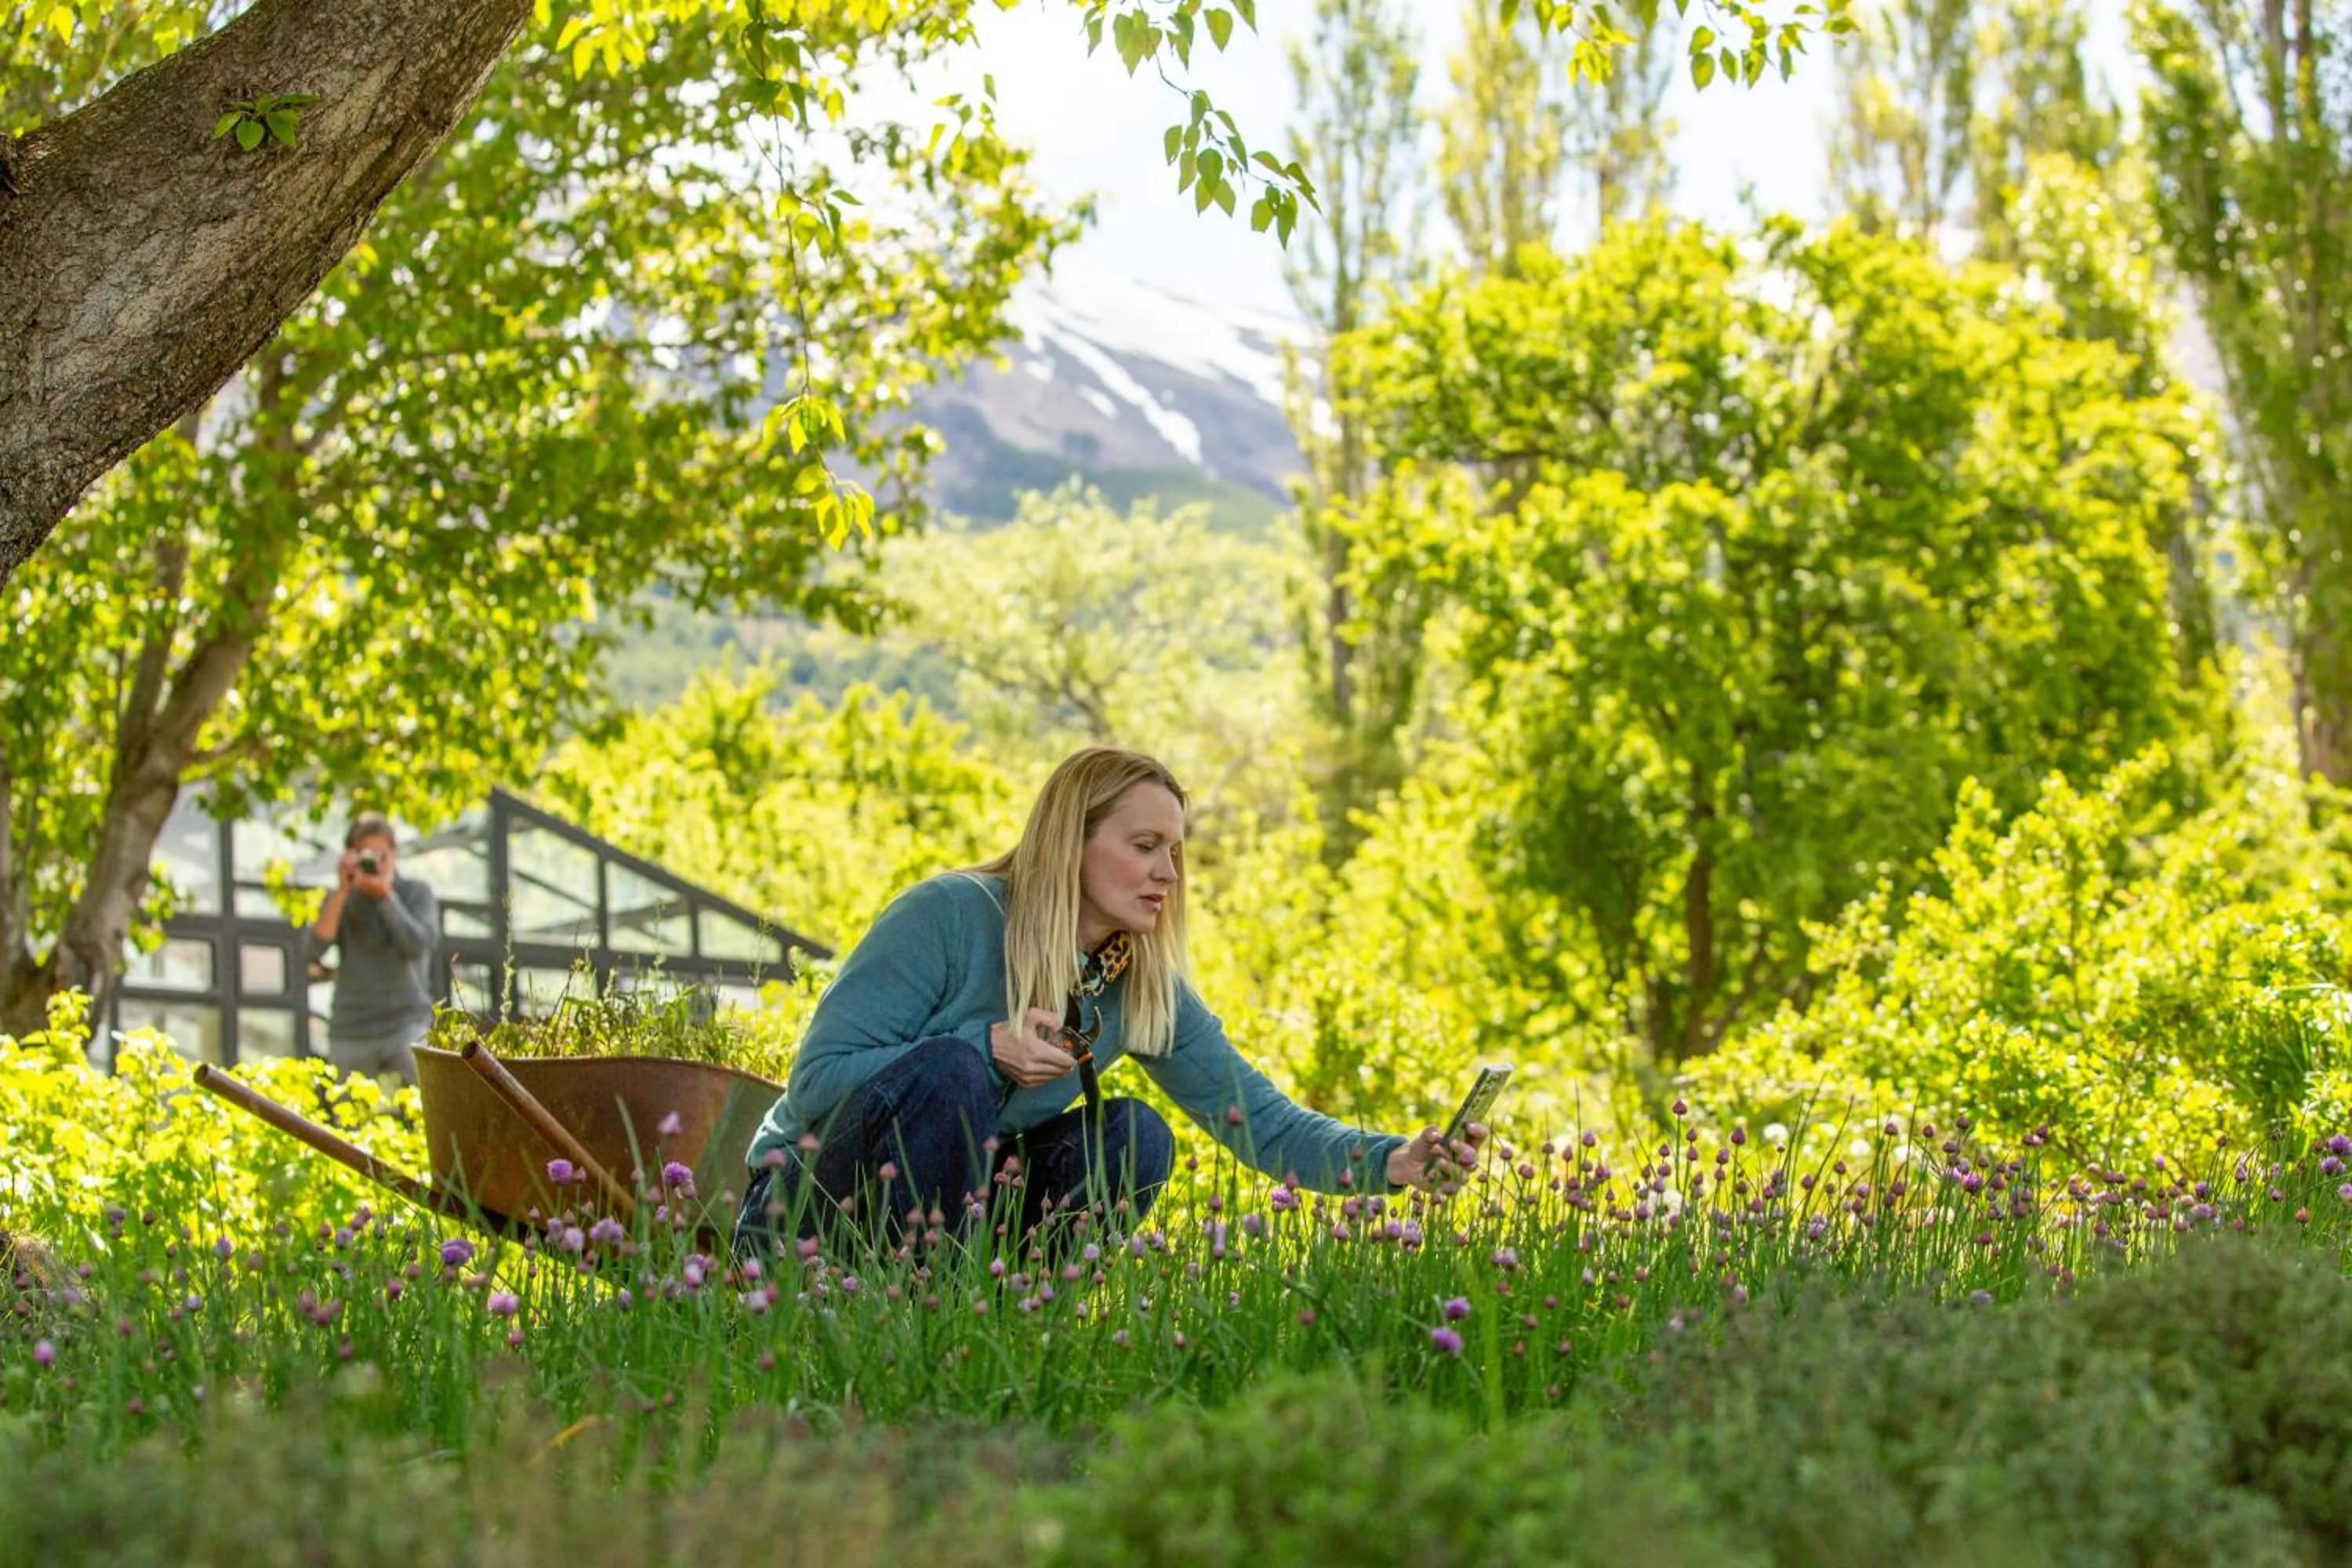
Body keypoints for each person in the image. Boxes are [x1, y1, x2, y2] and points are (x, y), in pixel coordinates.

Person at [734, 747, 1487, 1258]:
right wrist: (982, 1046)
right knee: (950, 1073)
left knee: (1135, 1135)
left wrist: (1394, 1161)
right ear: (1073, 842)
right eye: (1145, 845)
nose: (1169, 872)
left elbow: (1258, 1120)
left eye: (1176, 853)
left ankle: (997, 1323)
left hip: (955, 1235)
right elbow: (817, 1082)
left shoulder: (1135, 978)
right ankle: (900, 1317)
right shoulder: (948, 917)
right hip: (802, 1223)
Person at [303, 811, 440, 1084]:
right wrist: (342, 891)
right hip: (352, 1028)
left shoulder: (415, 893)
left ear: (394, 854)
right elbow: (312, 951)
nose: (374, 862)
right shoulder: (341, 900)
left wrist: (386, 897)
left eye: (381, 855)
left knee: (422, 1101)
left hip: (406, 1023)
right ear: (351, 855)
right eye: (365, 853)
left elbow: (418, 945)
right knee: (348, 1113)